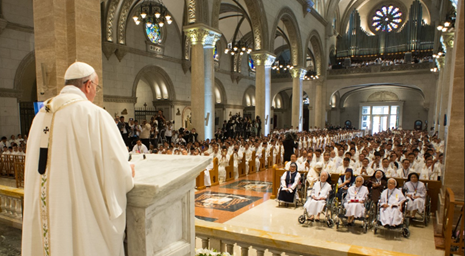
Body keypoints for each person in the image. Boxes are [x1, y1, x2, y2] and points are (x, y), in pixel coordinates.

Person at [22, 62, 135, 256]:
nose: (94, 93)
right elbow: (115, 165)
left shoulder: (41, 115)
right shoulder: (95, 115)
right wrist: (128, 172)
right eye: (96, 88)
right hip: (78, 210)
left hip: (50, 208)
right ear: (88, 85)